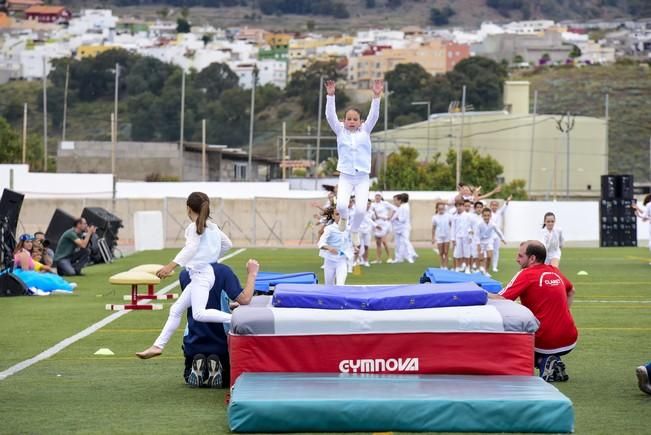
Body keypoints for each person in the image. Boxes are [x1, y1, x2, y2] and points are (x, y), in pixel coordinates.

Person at [136, 192, 234, 360]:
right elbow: (228, 244)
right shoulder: (212, 226)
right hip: (202, 274)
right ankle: (158, 346)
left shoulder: (194, 227)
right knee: (175, 310)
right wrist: (211, 257)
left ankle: (236, 319)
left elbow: (190, 248)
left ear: (189, 209)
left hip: (202, 275)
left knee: (198, 314)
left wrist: (170, 266)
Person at [491, 240, 577, 382]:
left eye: (520, 256)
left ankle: (544, 362)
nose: (517, 259)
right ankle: (553, 361)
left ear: (532, 258)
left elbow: (502, 299)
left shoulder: (526, 274)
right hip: (570, 338)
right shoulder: (554, 271)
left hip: (545, 340)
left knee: (509, 337)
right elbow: (571, 291)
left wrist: (479, 293)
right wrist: (562, 314)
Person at [181, 259, 259, 388]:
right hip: (221, 342)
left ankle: (196, 362)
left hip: (193, 339)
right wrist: (252, 273)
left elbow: (205, 297)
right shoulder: (223, 271)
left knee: (188, 375)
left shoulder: (185, 273)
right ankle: (217, 363)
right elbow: (245, 299)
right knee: (226, 380)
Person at [324, 78, 382, 247]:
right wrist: (331, 95)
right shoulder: (339, 131)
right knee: (341, 204)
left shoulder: (366, 130)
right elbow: (330, 115)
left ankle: (354, 230)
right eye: (348, 119)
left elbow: (375, 115)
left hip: (362, 176)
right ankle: (343, 218)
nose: (351, 121)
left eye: (355, 119)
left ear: (360, 121)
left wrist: (376, 96)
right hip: (346, 176)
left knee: (361, 209)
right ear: (344, 120)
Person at [317, 206, 353, 285]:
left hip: (342, 260)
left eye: (342, 214)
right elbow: (320, 243)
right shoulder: (329, 228)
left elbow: (350, 242)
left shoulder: (349, 228)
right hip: (329, 261)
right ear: (333, 216)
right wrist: (329, 247)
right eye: (337, 214)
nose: (340, 217)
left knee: (340, 285)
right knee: (329, 285)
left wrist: (355, 248)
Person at [478, 208, 506, 276]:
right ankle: (482, 269)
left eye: (488, 215)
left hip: (489, 241)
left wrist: (502, 238)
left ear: (490, 216)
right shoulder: (479, 224)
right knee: (481, 258)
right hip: (480, 242)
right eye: (485, 215)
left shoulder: (492, 224)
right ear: (482, 216)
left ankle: (486, 271)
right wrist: (477, 244)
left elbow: (498, 231)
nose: (486, 217)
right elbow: (476, 235)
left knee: (489, 257)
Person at [390, 193, 416, 264]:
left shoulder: (405, 207)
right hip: (398, 228)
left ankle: (410, 256)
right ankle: (398, 258)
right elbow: (393, 217)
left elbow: (402, 219)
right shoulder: (401, 207)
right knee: (398, 243)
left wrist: (395, 218)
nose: (394, 202)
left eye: (395, 200)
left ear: (400, 200)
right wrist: (391, 219)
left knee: (405, 242)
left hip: (404, 228)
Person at [370, 193, 396, 263]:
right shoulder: (372, 205)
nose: (377, 197)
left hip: (384, 224)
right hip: (376, 224)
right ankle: (378, 259)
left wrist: (390, 217)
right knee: (378, 243)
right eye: (376, 196)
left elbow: (394, 209)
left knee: (384, 241)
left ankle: (390, 257)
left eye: (379, 196)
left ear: (381, 197)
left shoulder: (385, 203)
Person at [489, 196, 511, 272]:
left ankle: (494, 266)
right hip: (489, 235)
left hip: (497, 235)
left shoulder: (499, 212)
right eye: (493, 205)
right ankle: (485, 265)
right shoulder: (488, 213)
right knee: (488, 251)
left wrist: (507, 201)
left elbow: (504, 207)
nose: (494, 207)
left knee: (496, 251)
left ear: (497, 206)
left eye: (495, 205)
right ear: (490, 206)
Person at [431, 202, 452, 269]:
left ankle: (445, 265)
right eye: (439, 208)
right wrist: (433, 238)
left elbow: (451, 225)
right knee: (441, 252)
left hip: (447, 235)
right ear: (437, 209)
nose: (441, 209)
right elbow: (433, 228)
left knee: (446, 252)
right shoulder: (435, 217)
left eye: (442, 208)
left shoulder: (448, 216)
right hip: (439, 236)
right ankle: (441, 265)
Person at [632, 194, 651, 260]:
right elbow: (647, 215)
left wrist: (638, 215)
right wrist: (637, 208)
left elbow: (644, 216)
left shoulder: (649, 205)